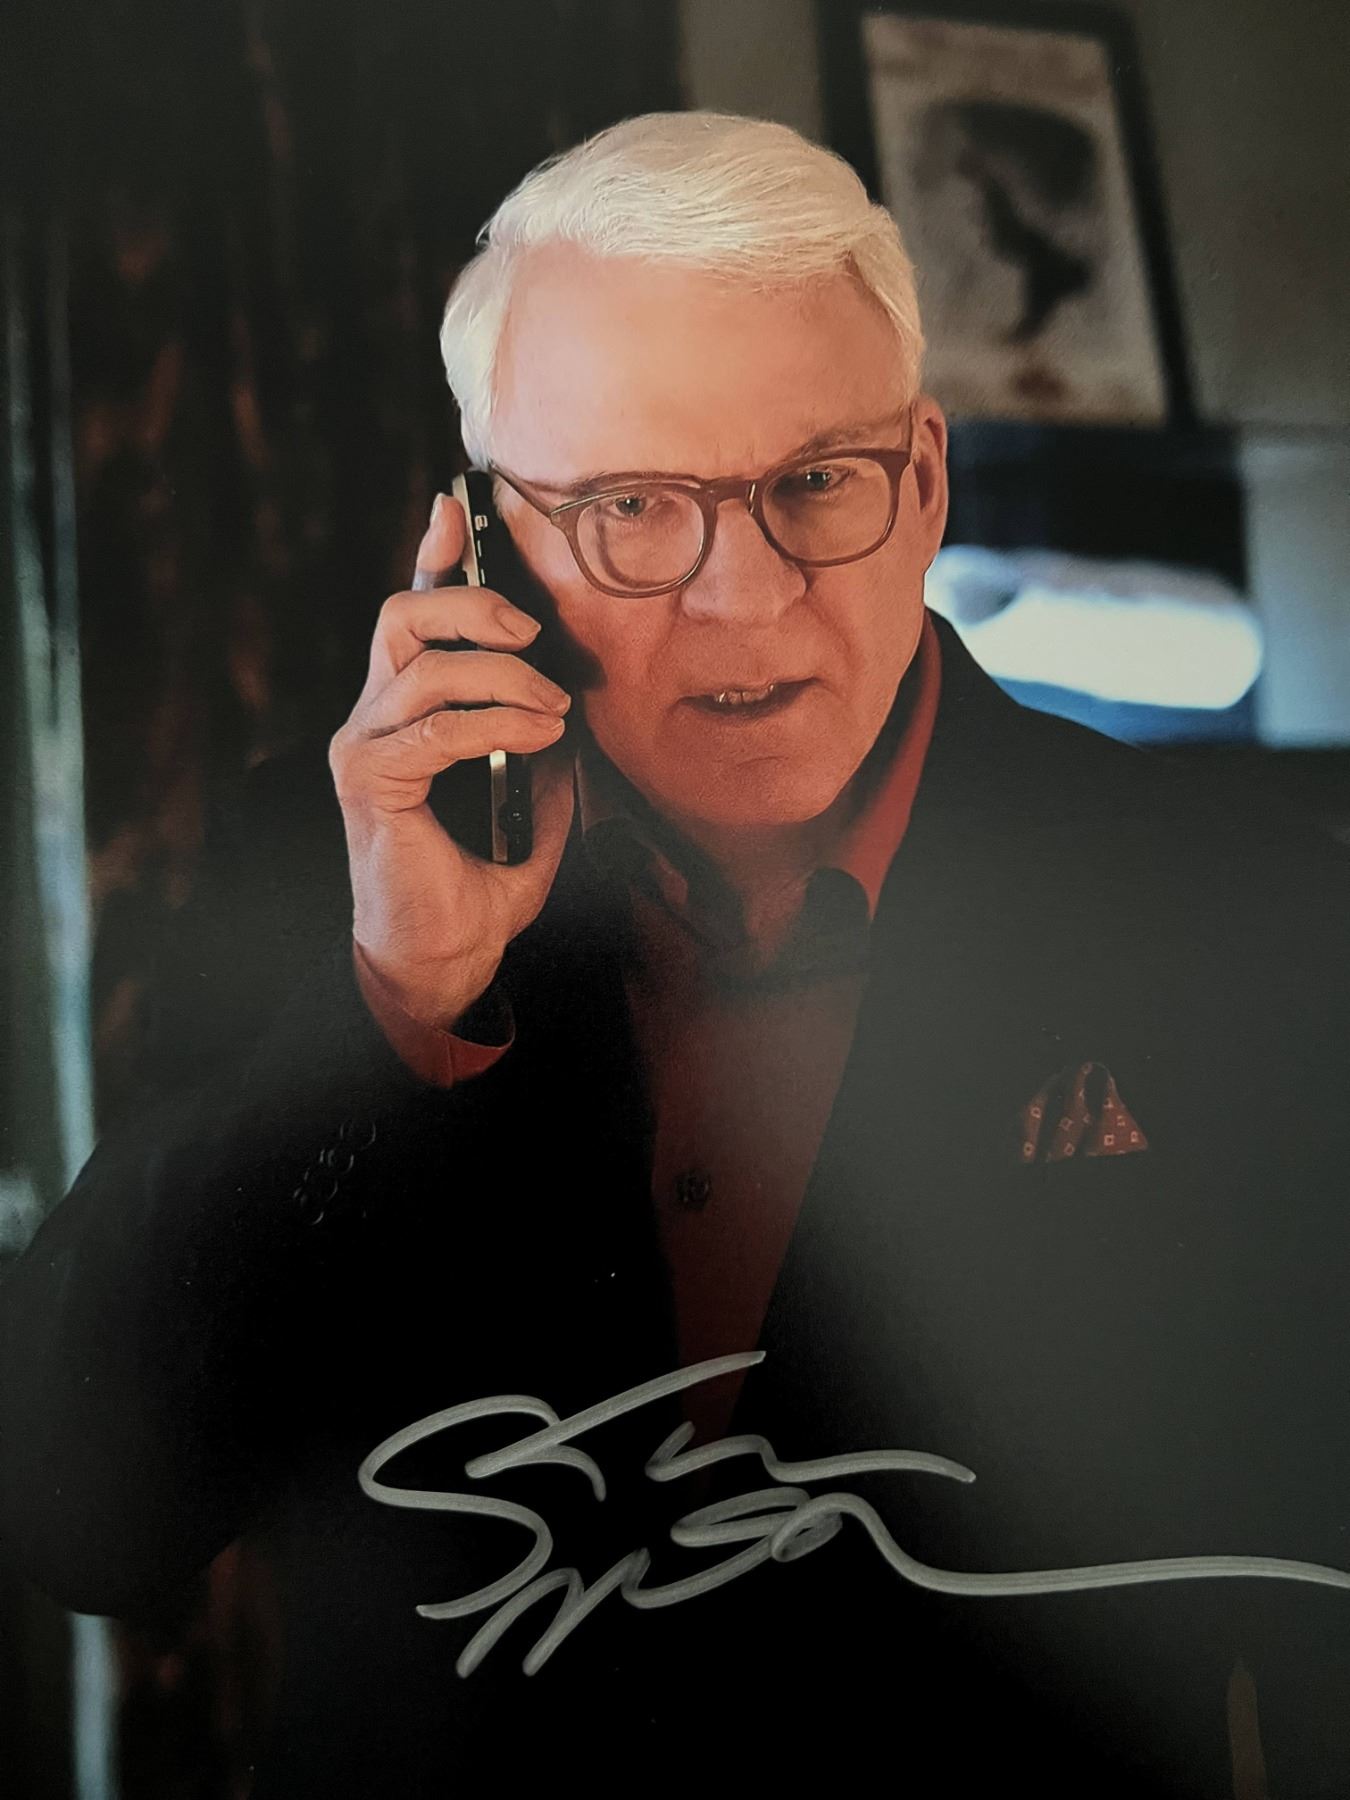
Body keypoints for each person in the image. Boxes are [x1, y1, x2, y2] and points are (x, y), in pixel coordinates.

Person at [3, 110, 1350, 1799]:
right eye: (632, 505)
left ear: (924, 484)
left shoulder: (1244, 908)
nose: (744, 596)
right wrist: (389, 1004)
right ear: (486, 538)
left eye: (817, 482)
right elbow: (76, 1516)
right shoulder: (323, 865)